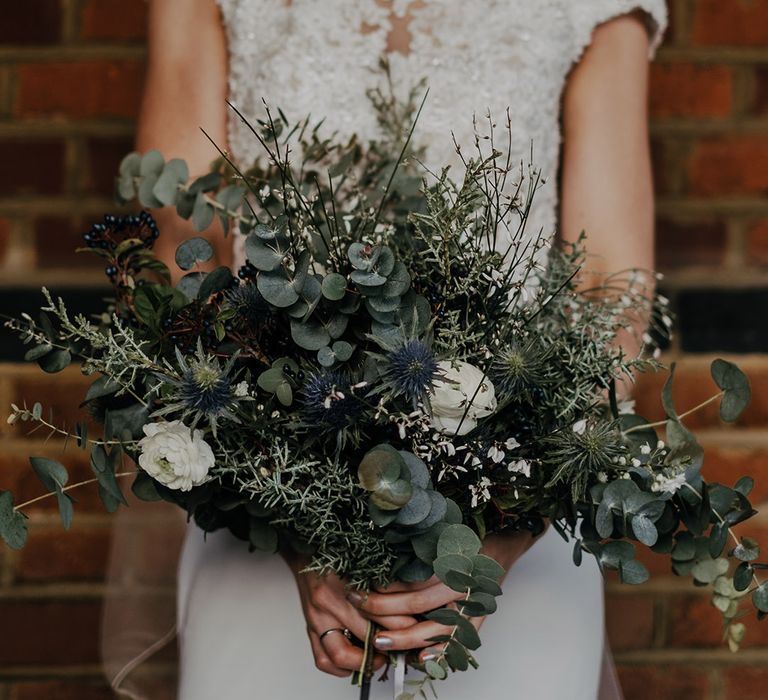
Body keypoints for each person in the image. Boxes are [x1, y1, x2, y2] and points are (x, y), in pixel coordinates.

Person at [123, 1, 667, 697]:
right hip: (267, 509)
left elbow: (607, 284)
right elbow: (178, 249)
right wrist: (293, 519)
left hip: (517, 532)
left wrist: (503, 530)